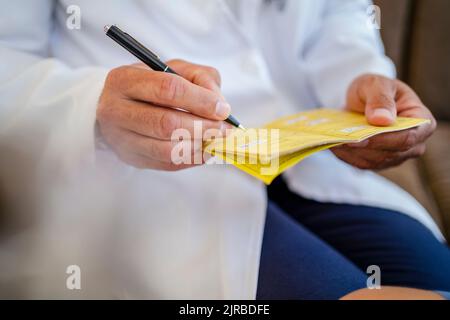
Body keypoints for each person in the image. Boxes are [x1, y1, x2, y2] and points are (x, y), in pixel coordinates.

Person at [0, 0, 449, 299]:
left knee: (433, 278)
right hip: (144, 171)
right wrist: (91, 106)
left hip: (302, 151)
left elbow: (334, 13)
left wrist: (359, 77)